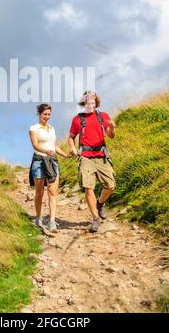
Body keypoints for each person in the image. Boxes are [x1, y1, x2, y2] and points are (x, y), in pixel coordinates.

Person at [68, 91, 116, 233]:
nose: (91, 103)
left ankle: (100, 203)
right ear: (84, 102)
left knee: (111, 186)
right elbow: (71, 137)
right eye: (88, 100)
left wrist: (112, 128)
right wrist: (72, 147)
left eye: (93, 101)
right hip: (86, 157)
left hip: (101, 155)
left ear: (96, 102)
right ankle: (95, 218)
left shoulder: (104, 116)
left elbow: (110, 136)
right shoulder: (77, 119)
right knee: (88, 187)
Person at [29, 103, 69, 233]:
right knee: (39, 192)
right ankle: (39, 218)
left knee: (52, 192)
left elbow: (54, 146)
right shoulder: (33, 128)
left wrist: (65, 155)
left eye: (49, 114)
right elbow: (35, 145)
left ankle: (52, 221)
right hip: (39, 161)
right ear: (39, 114)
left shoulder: (52, 128)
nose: (47, 117)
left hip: (52, 161)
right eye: (45, 114)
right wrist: (46, 151)